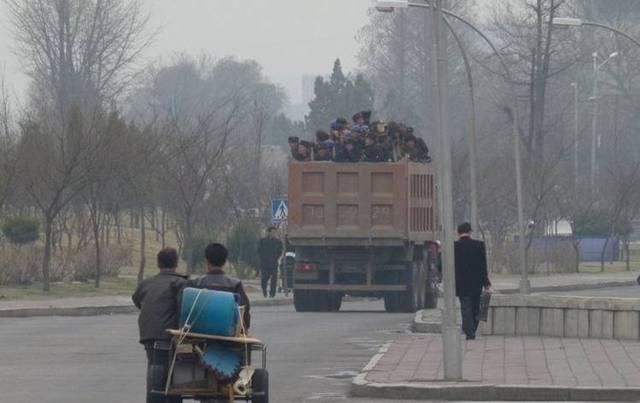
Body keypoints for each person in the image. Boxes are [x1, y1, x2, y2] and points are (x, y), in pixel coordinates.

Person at [132, 248, 187, 403]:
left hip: (148, 334)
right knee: (173, 374)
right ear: (176, 263)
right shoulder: (180, 283)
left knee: (154, 368)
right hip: (169, 335)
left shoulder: (146, 283)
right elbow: (186, 307)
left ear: (158, 263)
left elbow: (137, 299)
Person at [188, 243, 251, 329]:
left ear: (207, 260)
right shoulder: (235, 285)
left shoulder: (195, 284)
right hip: (228, 335)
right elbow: (244, 311)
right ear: (225, 261)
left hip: (199, 334)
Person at [454, 222, 491, 340]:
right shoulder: (479, 245)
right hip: (476, 283)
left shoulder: (454, 247)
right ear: (470, 232)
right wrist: (486, 282)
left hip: (461, 283)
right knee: (475, 307)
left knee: (465, 307)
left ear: (458, 233)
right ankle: (472, 329)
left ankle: (469, 331)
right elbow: (483, 266)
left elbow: (443, 265)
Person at [257, 227, 284, 298]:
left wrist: (276, 257)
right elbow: (259, 250)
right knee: (264, 279)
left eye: (275, 232)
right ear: (268, 232)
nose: (273, 234)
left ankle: (272, 293)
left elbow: (280, 250)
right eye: (272, 232)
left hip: (274, 263)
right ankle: (264, 291)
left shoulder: (278, 242)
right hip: (265, 263)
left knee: (274, 279)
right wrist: (262, 259)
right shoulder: (262, 241)